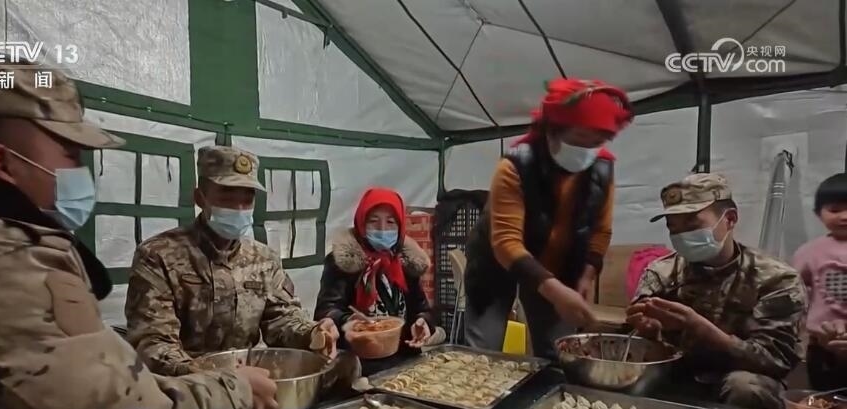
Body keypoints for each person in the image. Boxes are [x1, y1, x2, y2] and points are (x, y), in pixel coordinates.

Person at [0, 44, 260, 409]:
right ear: (3, 161)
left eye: (247, 198)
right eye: (70, 154)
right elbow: (123, 392)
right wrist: (233, 388)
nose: (80, 172)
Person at [124, 146, 339, 378]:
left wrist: (313, 333)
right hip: (185, 388)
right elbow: (153, 343)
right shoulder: (159, 255)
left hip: (251, 382)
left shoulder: (263, 259)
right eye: (227, 198)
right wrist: (217, 378)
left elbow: (281, 318)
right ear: (200, 198)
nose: (239, 209)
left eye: (247, 199)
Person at [463, 78, 633, 357]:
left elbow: (601, 231)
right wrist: (555, 291)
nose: (588, 149)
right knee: (482, 351)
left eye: (597, 141)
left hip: (556, 264)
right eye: (580, 139)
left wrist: (584, 277)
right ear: (552, 132)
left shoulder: (602, 169)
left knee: (558, 351)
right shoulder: (515, 166)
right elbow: (506, 243)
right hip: (495, 262)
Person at [627, 173, 807, 409]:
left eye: (692, 225)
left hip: (740, 377)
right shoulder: (662, 272)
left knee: (746, 388)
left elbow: (776, 361)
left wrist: (702, 329)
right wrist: (648, 334)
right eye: (673, 228)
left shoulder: (776, 279)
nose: (682, 236)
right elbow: (630, 345)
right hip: (675, 374)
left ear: (730, 219)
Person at [315, 187, 442, 375]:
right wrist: (350, 322)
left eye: (390, 222)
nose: (383, 230)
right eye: (373, 221)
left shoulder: (405, 264)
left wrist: (423, 322)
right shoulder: (342, 263)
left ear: (400, 227)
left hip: (403, 363)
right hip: (357, 367)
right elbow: (325, 311)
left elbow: (422, 308)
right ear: (361, 223)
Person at [792, 173, 847, 389]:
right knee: (823, 396)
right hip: (821, 342)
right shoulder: (809, 251)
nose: (844, 216)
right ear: (818, 213)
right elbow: (793, 288)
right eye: (834, 210)